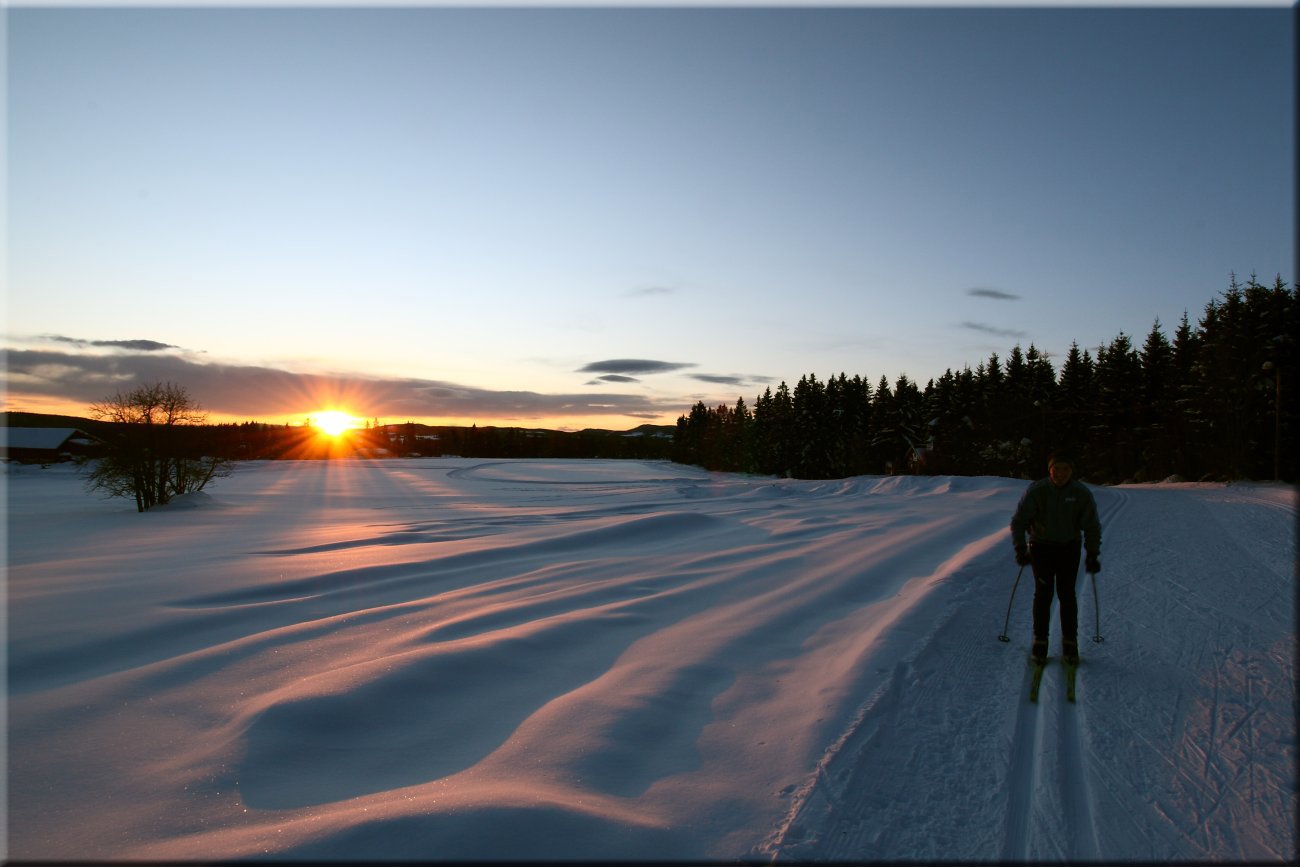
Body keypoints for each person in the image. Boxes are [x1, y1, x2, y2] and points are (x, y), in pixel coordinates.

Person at [1010, 452, 1101, 665]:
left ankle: (1070, 642)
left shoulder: (1080, 493)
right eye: (1056, 469)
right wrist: (1020, 549)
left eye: (1065, 469)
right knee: (1043, 593)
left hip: (1069, 548)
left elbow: (1091, 526)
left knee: (1067, 594)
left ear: (1071, 471)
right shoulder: (1037, 491)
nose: (1060, 473)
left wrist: (1092, 553)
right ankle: (1040, 641)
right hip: (1041, 548)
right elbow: (1019, 521)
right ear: (1049, 470)